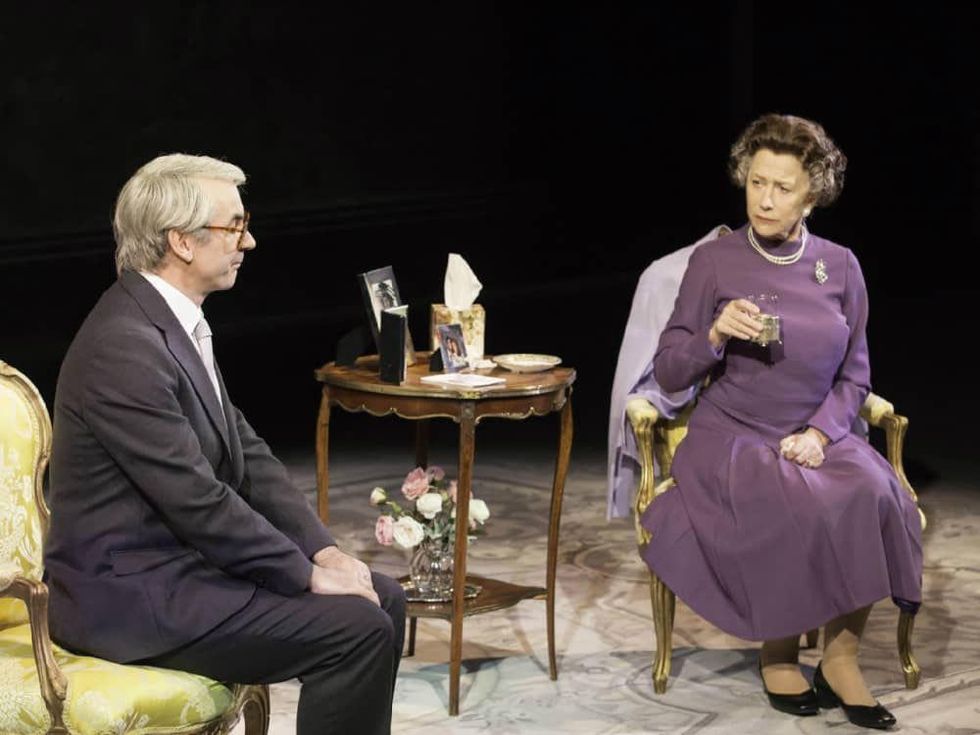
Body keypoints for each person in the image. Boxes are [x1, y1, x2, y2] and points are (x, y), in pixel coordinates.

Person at [44, 154, 406, 735]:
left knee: (382, 598)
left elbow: (248, 455)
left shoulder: (167, 320)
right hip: (130, 596)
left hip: (181, 571)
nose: (249, 241)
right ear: (181, 241)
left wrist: (323, 552)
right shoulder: (124, 345)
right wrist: (302, 575)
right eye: (235, 226)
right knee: (355, 630)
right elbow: (196, 498)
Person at [637, 114, 922, 730]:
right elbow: (669, 371)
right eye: (756, 182)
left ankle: (840, 661)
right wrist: (714, 334)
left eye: (782, 187)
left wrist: (819, 434)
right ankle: (779, 651)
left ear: (811, 196)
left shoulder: (841, 266)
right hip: (733, 433)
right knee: (788, 495)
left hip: (819, 430)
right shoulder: (714, 261)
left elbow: (855, 377)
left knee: (875, 492)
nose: (764, 199)